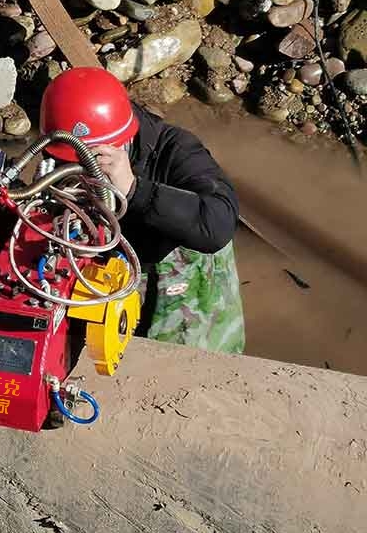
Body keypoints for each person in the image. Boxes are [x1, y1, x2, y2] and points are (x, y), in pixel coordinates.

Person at [39, 66, 245, 354]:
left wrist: (133, 188)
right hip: (115, 296)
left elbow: (217, 224)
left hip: (188, 307)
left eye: (91, 161)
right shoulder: (59, 153)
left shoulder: (177, 150)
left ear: (122, 141)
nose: (80, 170)